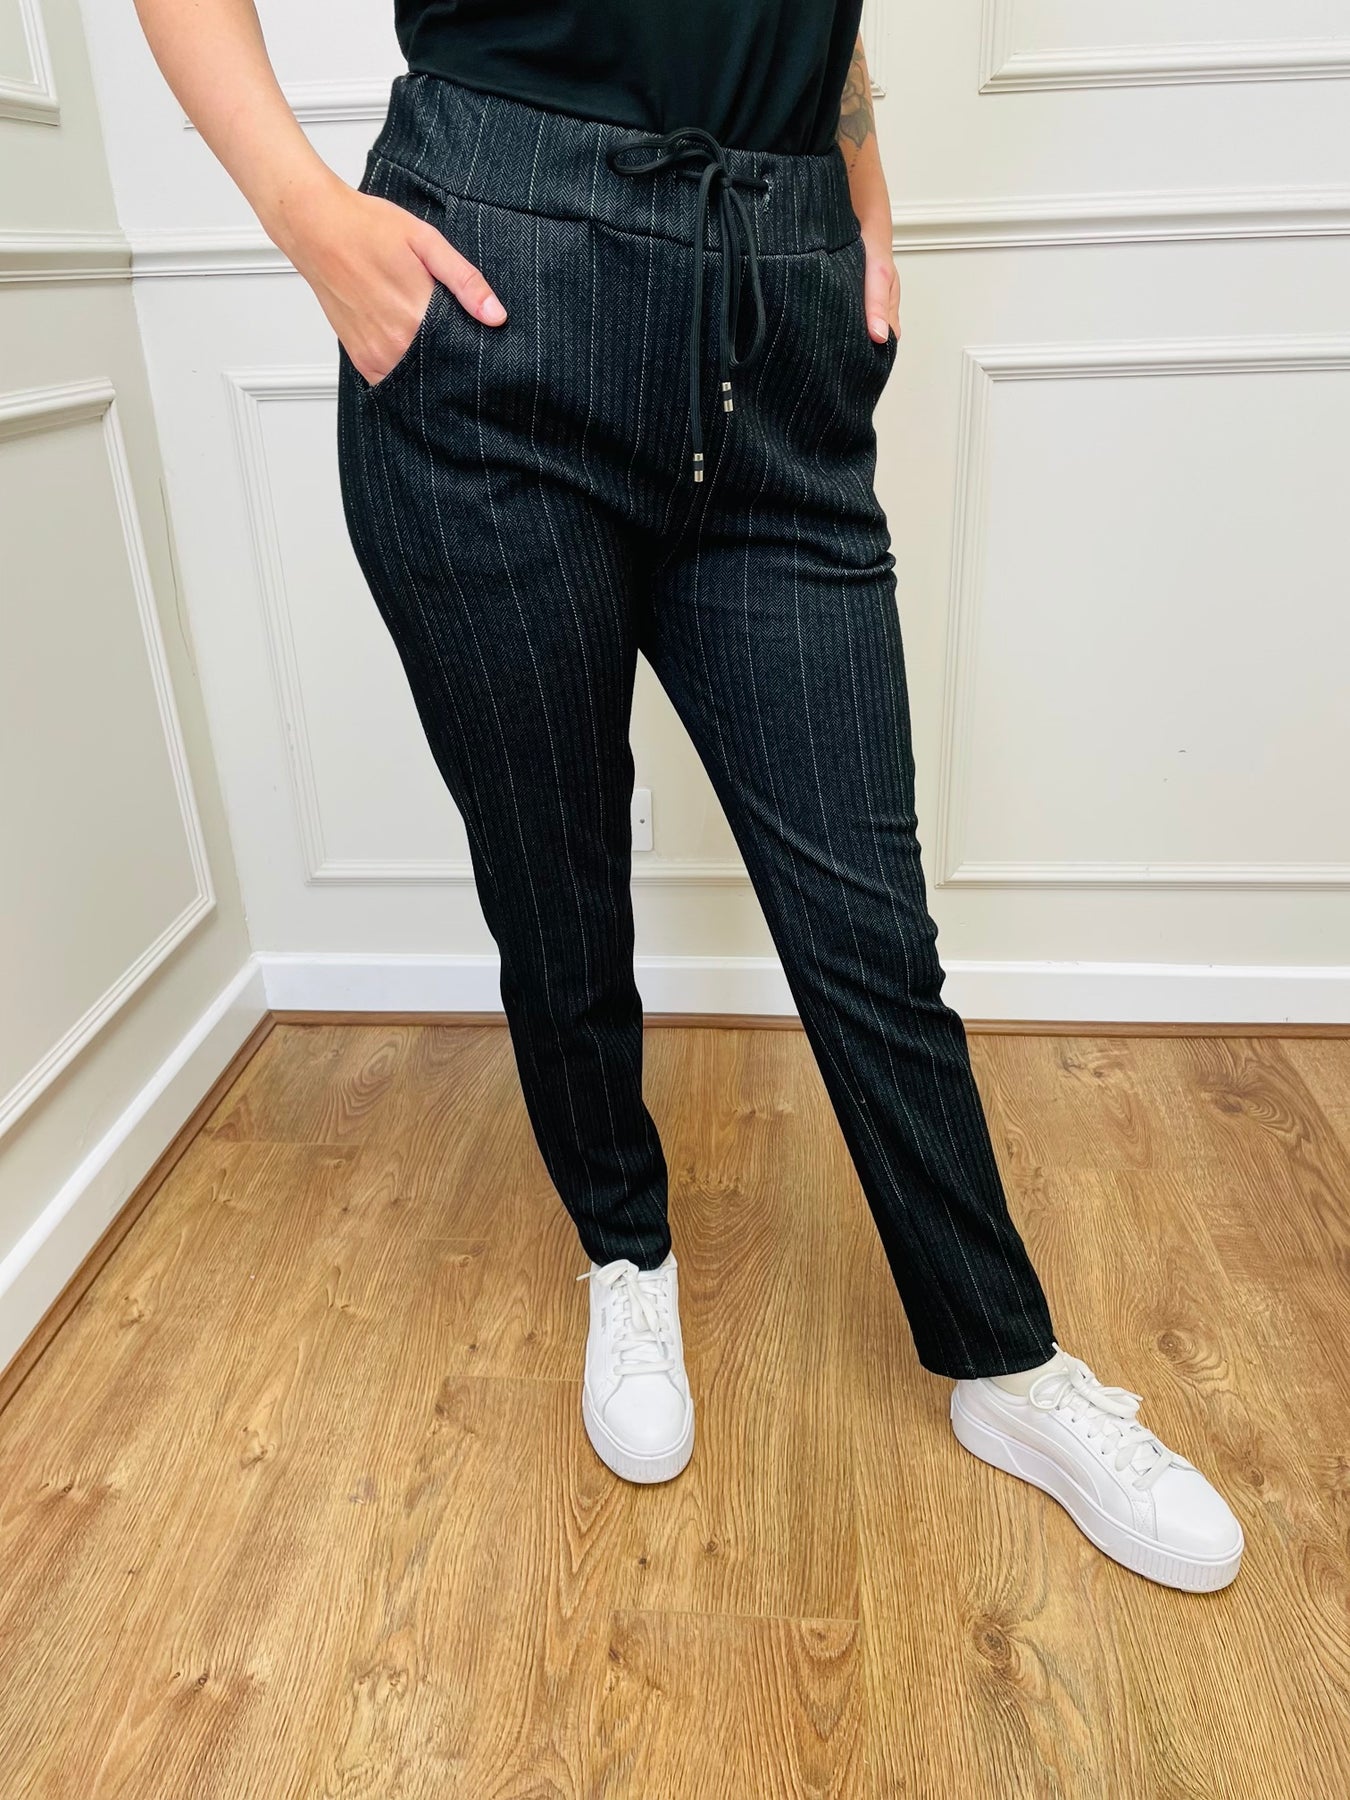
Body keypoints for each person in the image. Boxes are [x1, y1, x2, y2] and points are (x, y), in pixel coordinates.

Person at [133, 0, 1244, 1593]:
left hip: (779, 304)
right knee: (554, 877)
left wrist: (861, 183)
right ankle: (625, 1251)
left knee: (868, 919)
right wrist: (302, 213)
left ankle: (1005, 1360)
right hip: (493, 292)